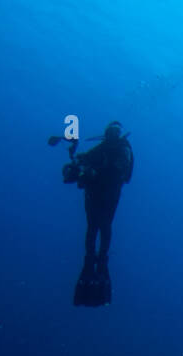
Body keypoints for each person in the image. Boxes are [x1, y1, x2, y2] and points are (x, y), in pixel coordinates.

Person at [59, 122, 133, 306]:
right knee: (94, 226)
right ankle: (91, 257)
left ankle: (101, 258)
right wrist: (78, 164)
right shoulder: (101, 148)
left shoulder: (123, 149)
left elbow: (120, 169)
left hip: (109, 193)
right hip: (96, 192)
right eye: (110, 132)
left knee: (103, 225)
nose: (112, 135)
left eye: (115, 132)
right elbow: (86, 159)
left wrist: (96, 170)